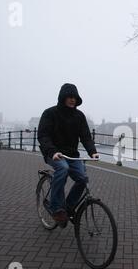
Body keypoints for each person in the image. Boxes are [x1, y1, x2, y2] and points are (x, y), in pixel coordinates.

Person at [37, 83, 99, 228]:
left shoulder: (79, 116)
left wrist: (93, 151)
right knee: (63, 169)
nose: (72, 100)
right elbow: (43, 135)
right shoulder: (50, 113)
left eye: (75, 97)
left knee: (83, 179)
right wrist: (52, 151)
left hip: (72, 155)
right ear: (63, 97)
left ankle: (68, 207)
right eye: (69, 97)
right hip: (54, 153)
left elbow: (86, 137)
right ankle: (57, 208)